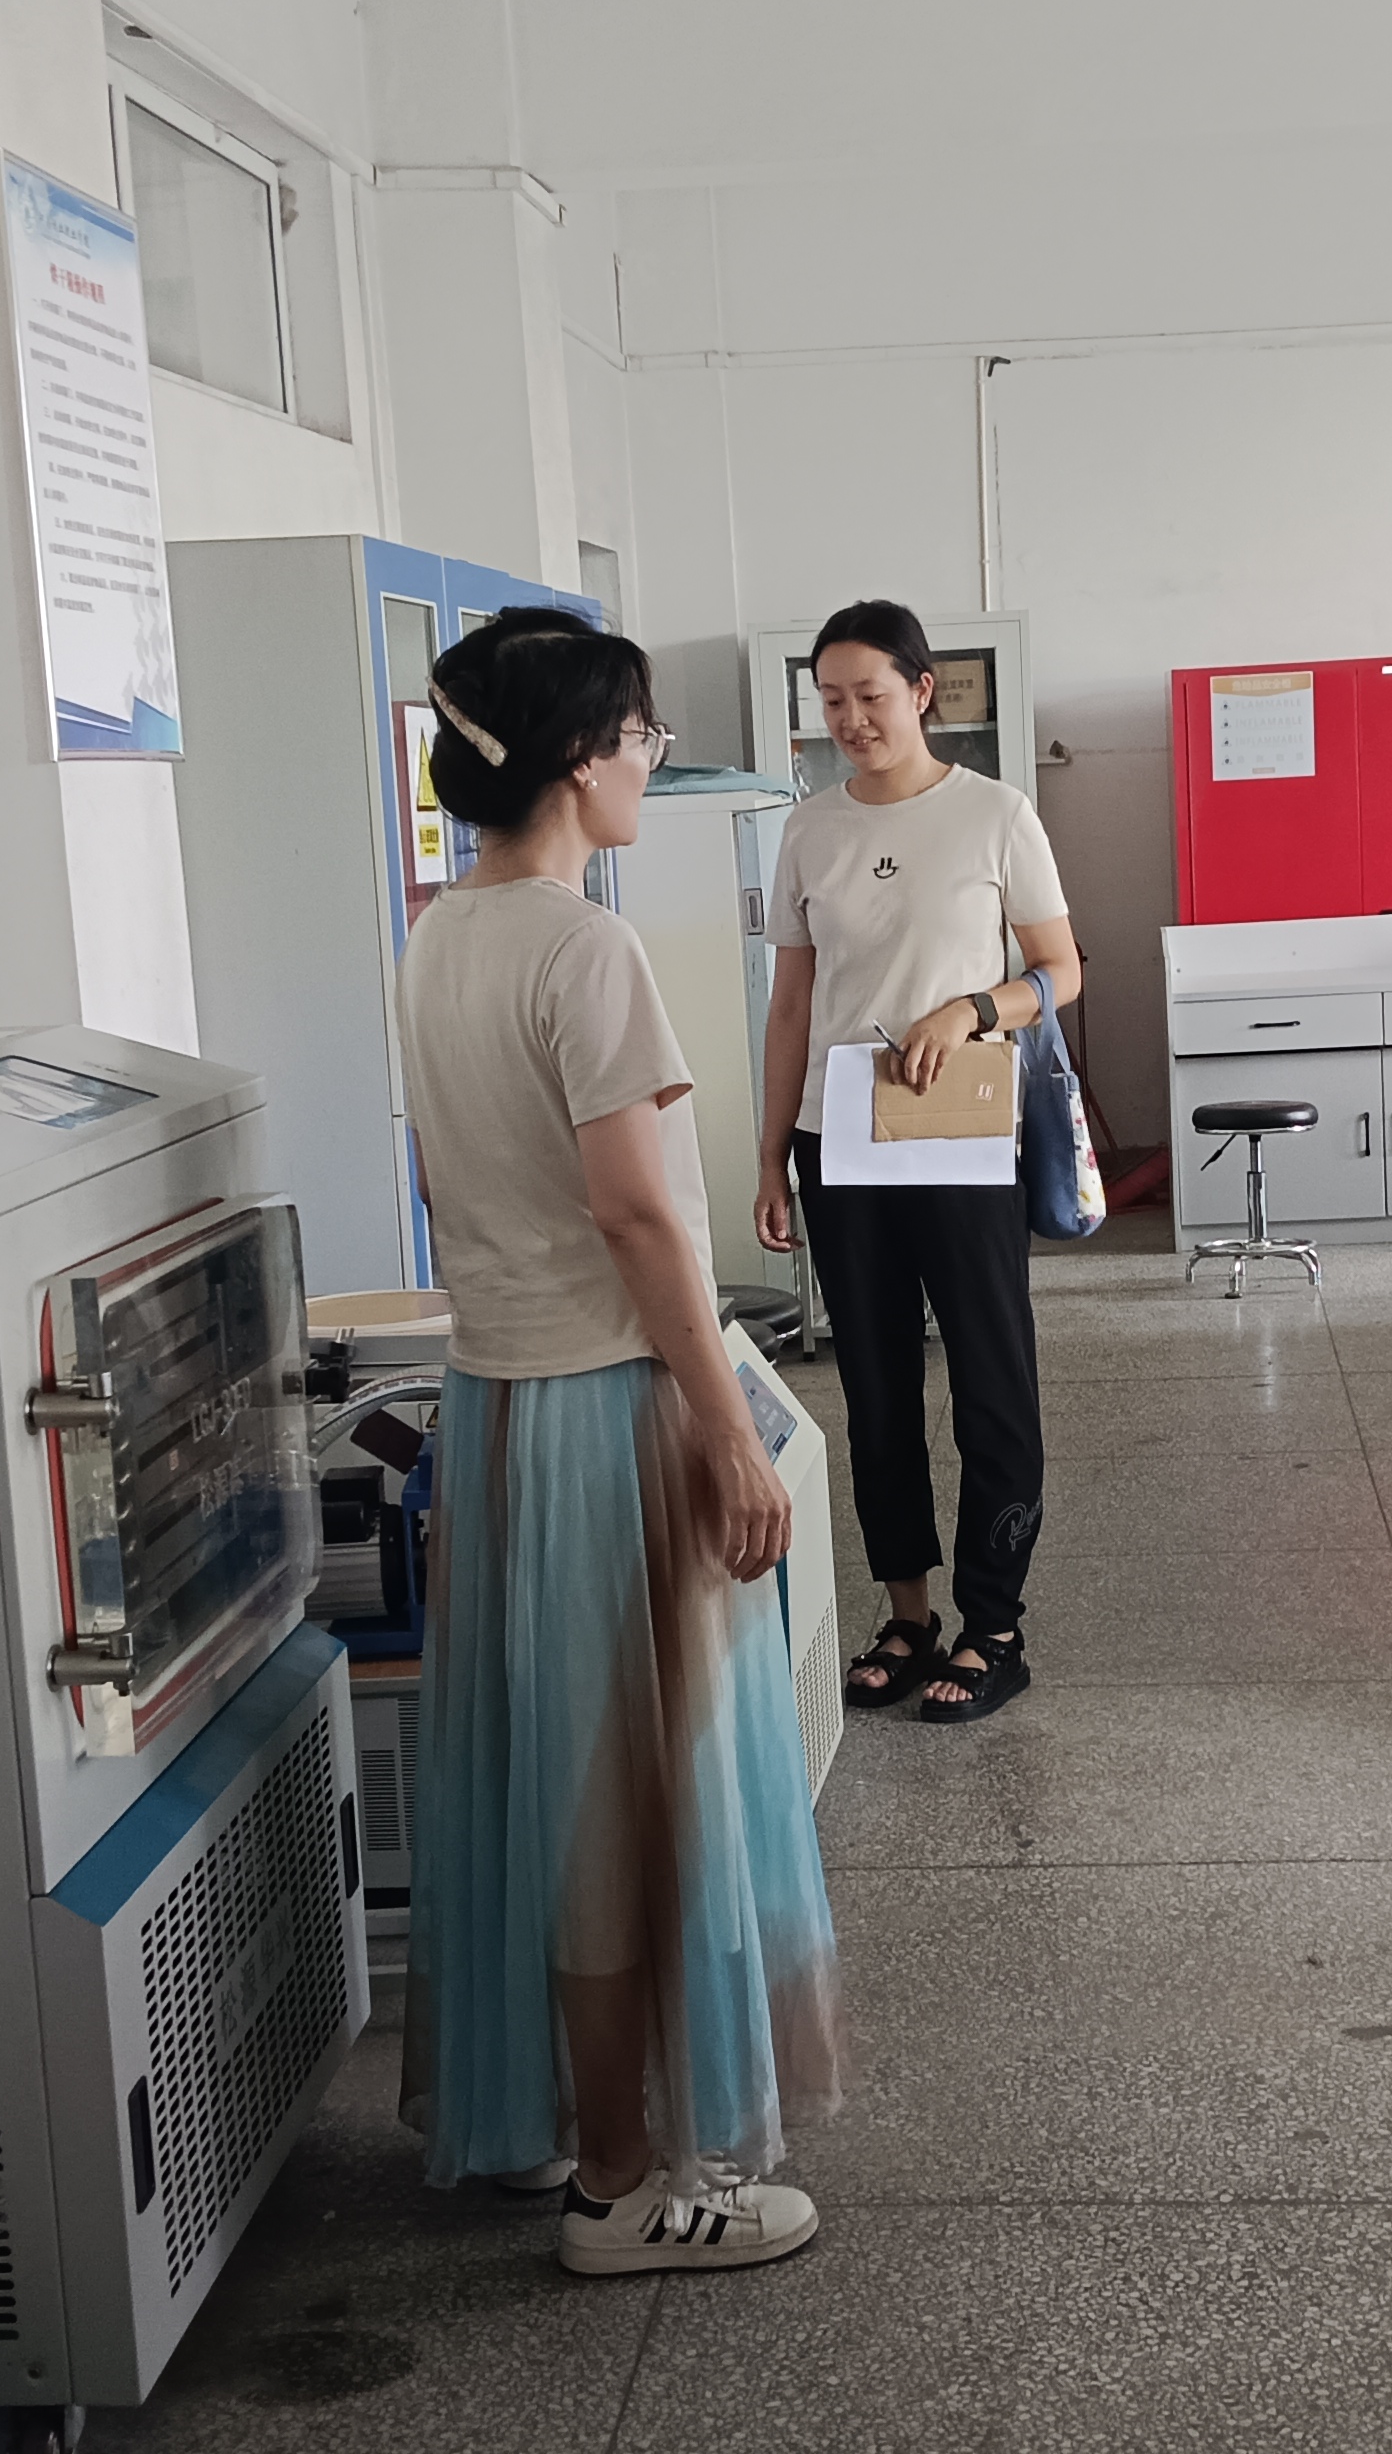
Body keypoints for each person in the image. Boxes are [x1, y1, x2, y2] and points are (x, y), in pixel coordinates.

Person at [394, 607, 843, 2276]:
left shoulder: (441, 935)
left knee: (536, 1777)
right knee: (624, 1807)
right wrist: (729, 1434)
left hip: (497, 1402)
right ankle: (626, 2185)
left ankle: (541, 2121)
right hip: (603, 1408)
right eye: (641, 735)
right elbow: (640, 1218)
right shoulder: (587, 951)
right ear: (582, 761)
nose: (651, 760)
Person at [752, 599, 1082, 1725]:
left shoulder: (995, 814)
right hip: (837, 1137)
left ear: (922, 691)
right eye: (831, 700)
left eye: (871, 696)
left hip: (962, 1132)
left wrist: (972, 1008)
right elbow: (791, 1004)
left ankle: (996, 1626)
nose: (850, 719)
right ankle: (908, 1615)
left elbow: (1061, 971)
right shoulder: (808, 829)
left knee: (991, 1378)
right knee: (876, 1387)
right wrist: (769, 1157)